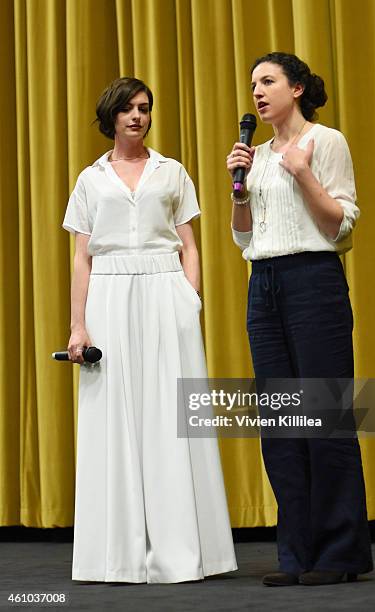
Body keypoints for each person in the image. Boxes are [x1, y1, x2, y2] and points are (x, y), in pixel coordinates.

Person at [63, 77, 237, 584]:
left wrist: (191, 299)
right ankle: (113, 555)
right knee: (112, 416)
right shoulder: (90, 179)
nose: (137, 117)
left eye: (144, 108)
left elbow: (191, 245)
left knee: (173, 414)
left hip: (166, 292)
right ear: (110, 117)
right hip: (109, 297)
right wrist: (79, 325)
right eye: (127, 109)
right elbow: (80, 258)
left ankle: (185, 552)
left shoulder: (173, 172)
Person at [227, 52, 373, 586]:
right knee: (282, 424)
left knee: (324, 419)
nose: (258, 92)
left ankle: (339, 552)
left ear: (297, 88)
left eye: (268, 82)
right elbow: (243, 236)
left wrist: (304, 172)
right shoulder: (257, 154)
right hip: (262, 285)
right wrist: (238, 185)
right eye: (253, 85)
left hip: (313, 281)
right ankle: (297, 553)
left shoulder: (324, 140)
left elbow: (341, 226)